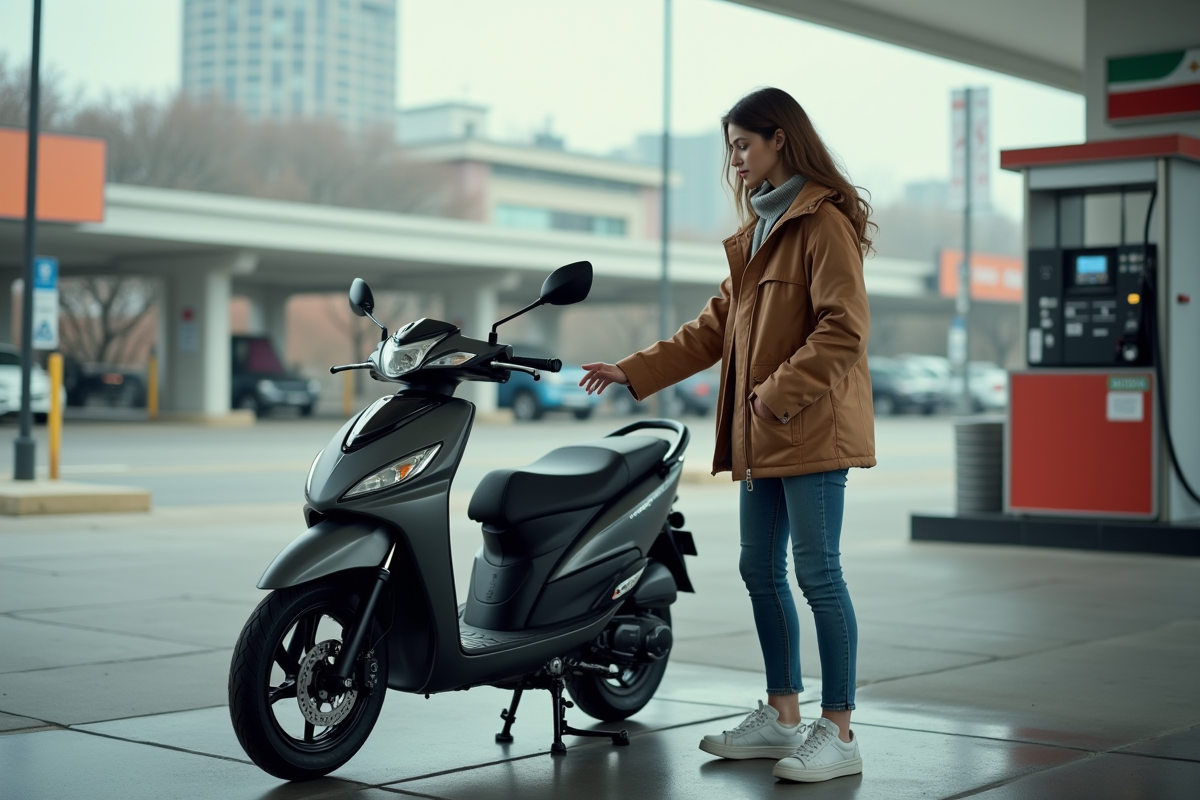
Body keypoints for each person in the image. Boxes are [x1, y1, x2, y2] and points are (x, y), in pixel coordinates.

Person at [580, 87, 876, 784]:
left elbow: (844, 327)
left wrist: (775, 394)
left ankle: (838, 730)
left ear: (780, 140)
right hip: (764, 434)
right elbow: (712, 329)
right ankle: (781, 715)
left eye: (744, 144)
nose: (735, 159)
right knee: (757, 570)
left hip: (807, 428)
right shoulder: (758, 234)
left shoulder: (822, 223)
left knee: (818, 575)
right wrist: (631, 369)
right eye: (731, 147)